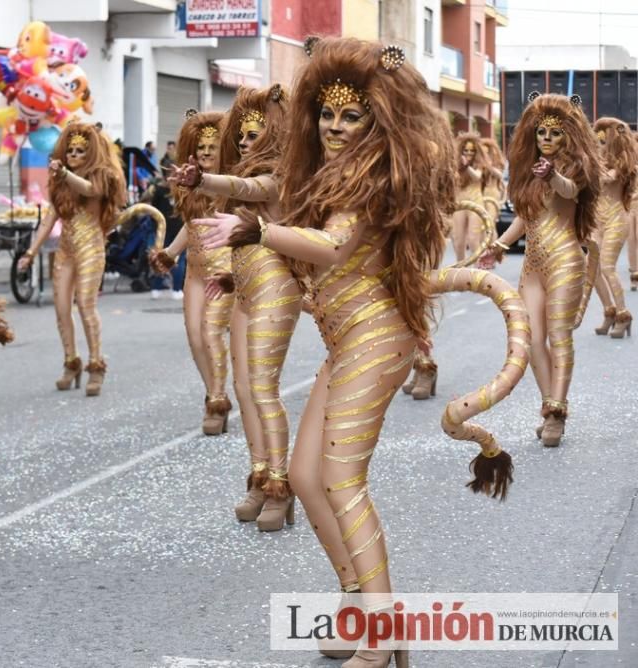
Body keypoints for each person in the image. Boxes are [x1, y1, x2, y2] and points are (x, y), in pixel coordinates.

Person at [203, 38, 526, 665]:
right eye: (327, 113)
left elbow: (332, 246)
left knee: (342, 481)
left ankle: (382, 635)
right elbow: (286, 223)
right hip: (346, 340)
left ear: (377, 121)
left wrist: (257, 230)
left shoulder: (371, 176)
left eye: (352, 116)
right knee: (301, 475)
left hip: (376, 342)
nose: (335, 125)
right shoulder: (321, 172)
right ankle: (358, 602)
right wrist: (234, 227)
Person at [172, 85, 299, 531]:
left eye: (253, 135)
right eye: (241, 137)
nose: (244, 143)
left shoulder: (279, 175)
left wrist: (203, 180)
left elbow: (250, 187)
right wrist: (232, 276)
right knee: (245, 391)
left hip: (277, 290)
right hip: (244, 289)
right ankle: (260, 478)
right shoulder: (242, 179)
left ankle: (282, 486)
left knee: (263, 389)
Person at [479, 92, 601, 447]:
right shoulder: (530, 172)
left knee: (559, 338)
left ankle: (556, 411)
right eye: (541, 133)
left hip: (565, 262)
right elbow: (524, 217)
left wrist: (552, 176)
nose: (547, 140)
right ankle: (552, 406)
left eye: (555, 133)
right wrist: (500, 246)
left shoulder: (576, 167)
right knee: (530, 340)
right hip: (531, 268)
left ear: (569, 135)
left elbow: (569, 191)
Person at [17, 122, 126, 396]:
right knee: (62, 308)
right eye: (71, 150)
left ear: (90, 153)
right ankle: (71, 361)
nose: (74, 155)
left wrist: (64, 173)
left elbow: (90, 191)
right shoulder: (61, 183)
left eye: (80, 151)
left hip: (91, 247)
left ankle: (96, 364)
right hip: (65, 250)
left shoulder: (101, 176)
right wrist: (30, 252)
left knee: (86, 307)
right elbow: (48, 220)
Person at [150, 110, 234, 436]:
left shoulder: (232, 182)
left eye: (213, 146)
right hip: (195, 270)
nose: (207, 151)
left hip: (223, 269)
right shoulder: (190, 182)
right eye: (201, 146)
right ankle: (215, 393)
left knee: (211, 332)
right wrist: (171, 253)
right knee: (194, 335)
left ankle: (216, 399)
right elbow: (191, 223)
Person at [589, 117, 635, 338]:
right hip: (598, 219)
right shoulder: (595, 159)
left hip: (617, 218)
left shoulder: (624, 164)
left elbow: (607, 178)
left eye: (603, 140)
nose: (599, 143)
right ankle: (609, 310)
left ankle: (624, 315)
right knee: (593, 268)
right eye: (597, 140)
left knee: (607, 267)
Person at [451, 133, 488, 262]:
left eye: (472, 150)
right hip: (460, 204)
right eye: (466, 150)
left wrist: (467, 166)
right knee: (458, 240)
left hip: (476, 204)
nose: (469, 153)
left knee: (473, 239)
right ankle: (460, 269)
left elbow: (477, 176)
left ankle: (477, 272)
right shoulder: (456, 165)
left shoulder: (479, 164)